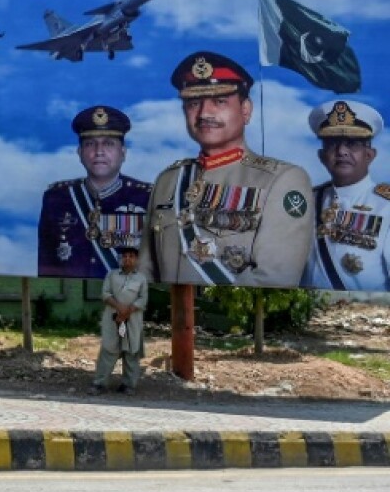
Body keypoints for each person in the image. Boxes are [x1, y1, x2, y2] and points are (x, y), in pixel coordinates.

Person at [140, 51, 313, 287]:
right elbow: (145, 271)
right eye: (193, 103)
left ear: (246, 110)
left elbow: (275, 278)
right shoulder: (168, 180)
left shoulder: (282, 180)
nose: (204, 113)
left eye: (219, 101)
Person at [37, 105, 151, 278]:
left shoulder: (146, 197)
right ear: (80, 152)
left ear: (123, 153)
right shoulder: (57, 198)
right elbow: (46, 264)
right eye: (90, 144)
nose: (99, 152)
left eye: (108, 144)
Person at [303, 100, 390, 292]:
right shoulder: (308, 201)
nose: (341, 151)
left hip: (367, 315)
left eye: (352, 144)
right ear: (321, 155)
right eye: (332, 143)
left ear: (370, 154)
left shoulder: (386, 207)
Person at [90, 245, 147, 394]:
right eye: (125, 256)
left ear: (136, 260)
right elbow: (105, 294)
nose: (127, 259)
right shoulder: (112, 275)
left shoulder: (141, 279)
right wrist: (119, 307)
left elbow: (143, 299)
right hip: (112, 319)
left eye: (131, 256)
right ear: (121, 259)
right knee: (109, 349)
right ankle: (99, 384)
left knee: (131, 351)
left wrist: (129, 310)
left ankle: (129, 385)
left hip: (132, 320)